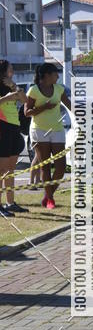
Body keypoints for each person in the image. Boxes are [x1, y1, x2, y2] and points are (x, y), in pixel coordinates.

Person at [25, 63, 71, 210]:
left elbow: (70, 106)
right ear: (46, 75)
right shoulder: (34, 90)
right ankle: (50, 199)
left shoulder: (59, 89)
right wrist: (45, 107)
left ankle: (47, 195)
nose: (58, 76)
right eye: (55, 74)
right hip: (39, 130)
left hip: (57, 129)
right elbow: (27, 112)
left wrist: (87, 114)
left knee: (61, 167)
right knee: (45, 167)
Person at [0, 61, 28, 217]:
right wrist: (8, 97)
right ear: (3, 71)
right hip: (2, 126)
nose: (13, 70)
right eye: (11, 68)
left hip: (14, 127)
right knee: (1, 170)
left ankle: (10, 203)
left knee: (10, 170)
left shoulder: (11, 85)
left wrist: (14, 87)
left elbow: (24, 100)